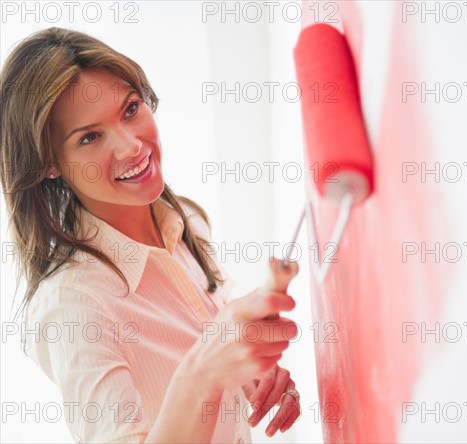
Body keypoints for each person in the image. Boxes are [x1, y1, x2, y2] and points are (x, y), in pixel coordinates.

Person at [0, 27, 301, 443]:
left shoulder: (185, 224)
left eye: (130, 109)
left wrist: (244, 374)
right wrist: (205, 371)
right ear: (50, 163)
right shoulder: (72, 304)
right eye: (90, 137)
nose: (131, 147)